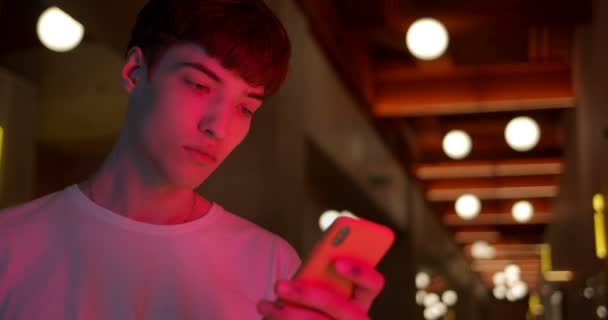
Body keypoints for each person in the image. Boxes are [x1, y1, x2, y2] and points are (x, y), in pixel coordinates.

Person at [0, 0, 385, 319]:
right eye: (199, 85)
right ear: (135, 72)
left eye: (246, 108)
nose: (219, 127)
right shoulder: (11, 243)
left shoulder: (270, 262)